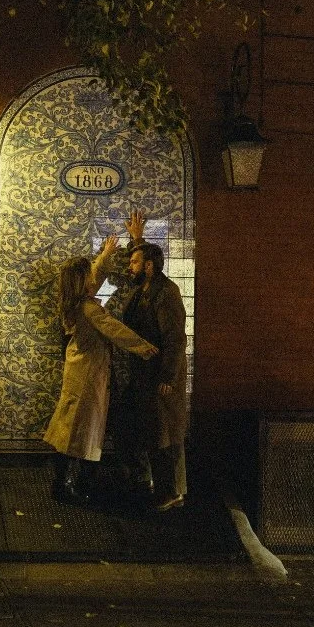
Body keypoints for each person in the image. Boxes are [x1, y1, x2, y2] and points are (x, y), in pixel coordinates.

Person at [43, 235, 158, 505]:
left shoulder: (73, 301)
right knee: (81, 432)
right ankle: (69, 487)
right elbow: (114, 329)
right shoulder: (89, 308)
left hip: (78, 370)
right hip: (89, 375)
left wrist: (105, 256)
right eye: (86, 276)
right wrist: (143, 347)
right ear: (81, 281)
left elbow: (93, 277)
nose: (91, 280)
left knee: (69, 428)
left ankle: (64, 484)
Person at [117, 212, 189, 511]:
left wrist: (168, 379)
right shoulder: (146, 288)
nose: (129, 266)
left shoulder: (166, 293)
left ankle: (169, 492)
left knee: (164, 434)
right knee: (143, 428)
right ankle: (149, 483)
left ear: (148, 267)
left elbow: (175, 338)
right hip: (144, 373)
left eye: (134, 262)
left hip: (159, 375)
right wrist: (137, 240)